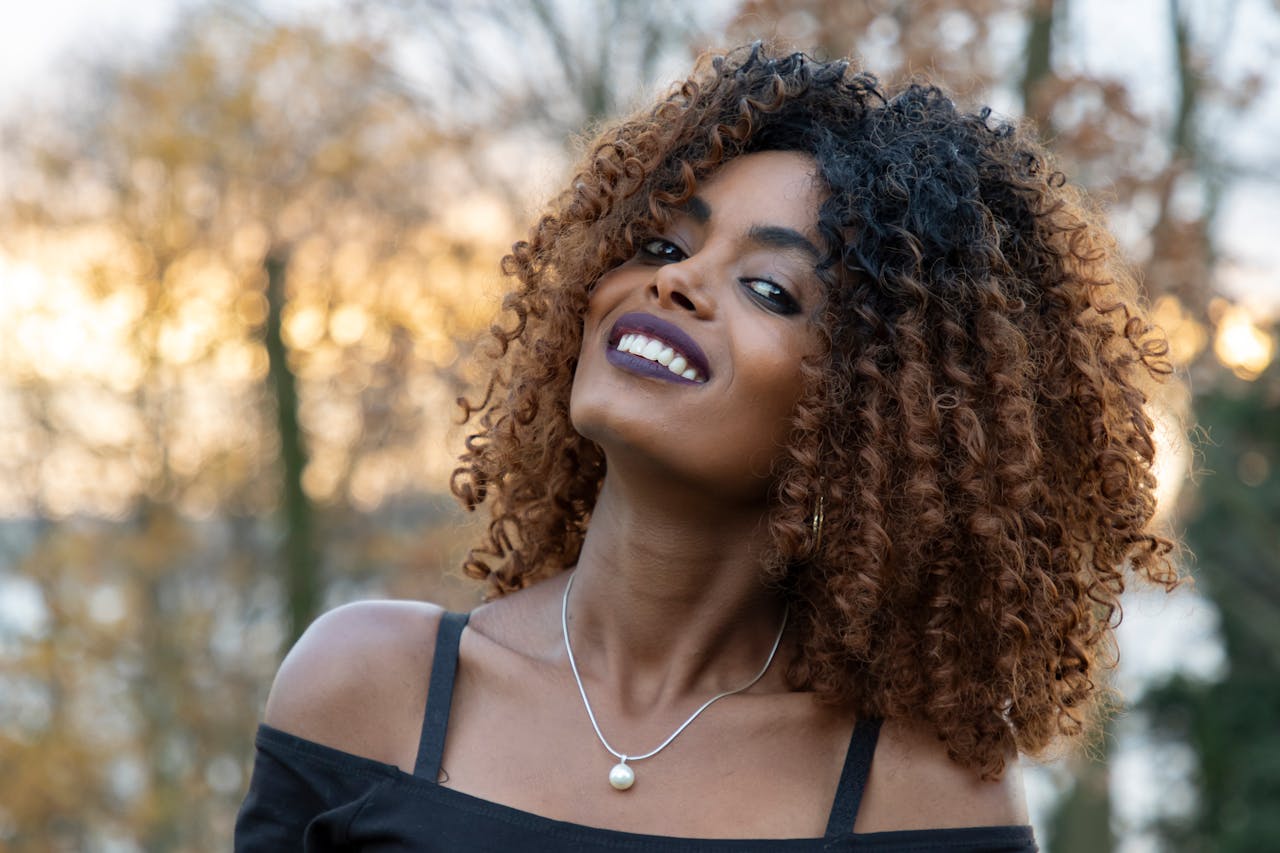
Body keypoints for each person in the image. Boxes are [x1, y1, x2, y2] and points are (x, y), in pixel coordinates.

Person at [236, 43, 1179, 851]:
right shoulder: (367, 689)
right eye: (658, 243)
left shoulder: (916, 792)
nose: (678, 283)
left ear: (868, 409)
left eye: (770, 288)